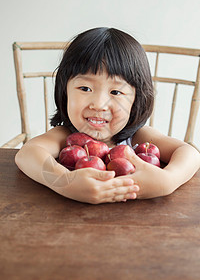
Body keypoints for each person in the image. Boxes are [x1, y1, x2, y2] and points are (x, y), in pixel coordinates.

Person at [15, 27, 200, 204]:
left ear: (136, 101)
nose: (99, 104)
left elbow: (190, 154)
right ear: (65, 92)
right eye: (85, 88)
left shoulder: (138, 138)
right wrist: (65, 182)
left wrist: (167, 181)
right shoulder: (66, 138)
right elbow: (27, 155)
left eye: (116, 92)